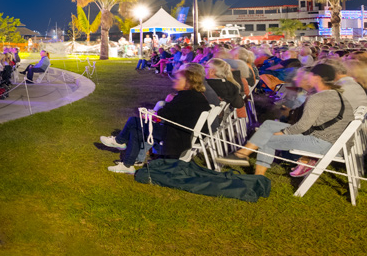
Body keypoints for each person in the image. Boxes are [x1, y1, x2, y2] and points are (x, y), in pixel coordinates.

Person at [218, 63, 354, 177]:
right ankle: (242, 154)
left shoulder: (317, 98)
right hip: (333, 141)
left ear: (316, 77)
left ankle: (257, 176)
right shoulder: (337, 95)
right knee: (269, 125)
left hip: (324, 143)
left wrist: (283, 133)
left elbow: (303, 126)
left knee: (268, 140)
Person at [100, 66, 210, 174]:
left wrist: (163, 106)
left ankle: (119, 142)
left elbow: (163, 114)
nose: (175, 81)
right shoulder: (195, 95)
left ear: (188, 82)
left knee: (134, 121)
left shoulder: (185, 97)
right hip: (181, 134)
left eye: (178, 79)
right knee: (138, 129)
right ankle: (127, 164)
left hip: (177, 136)